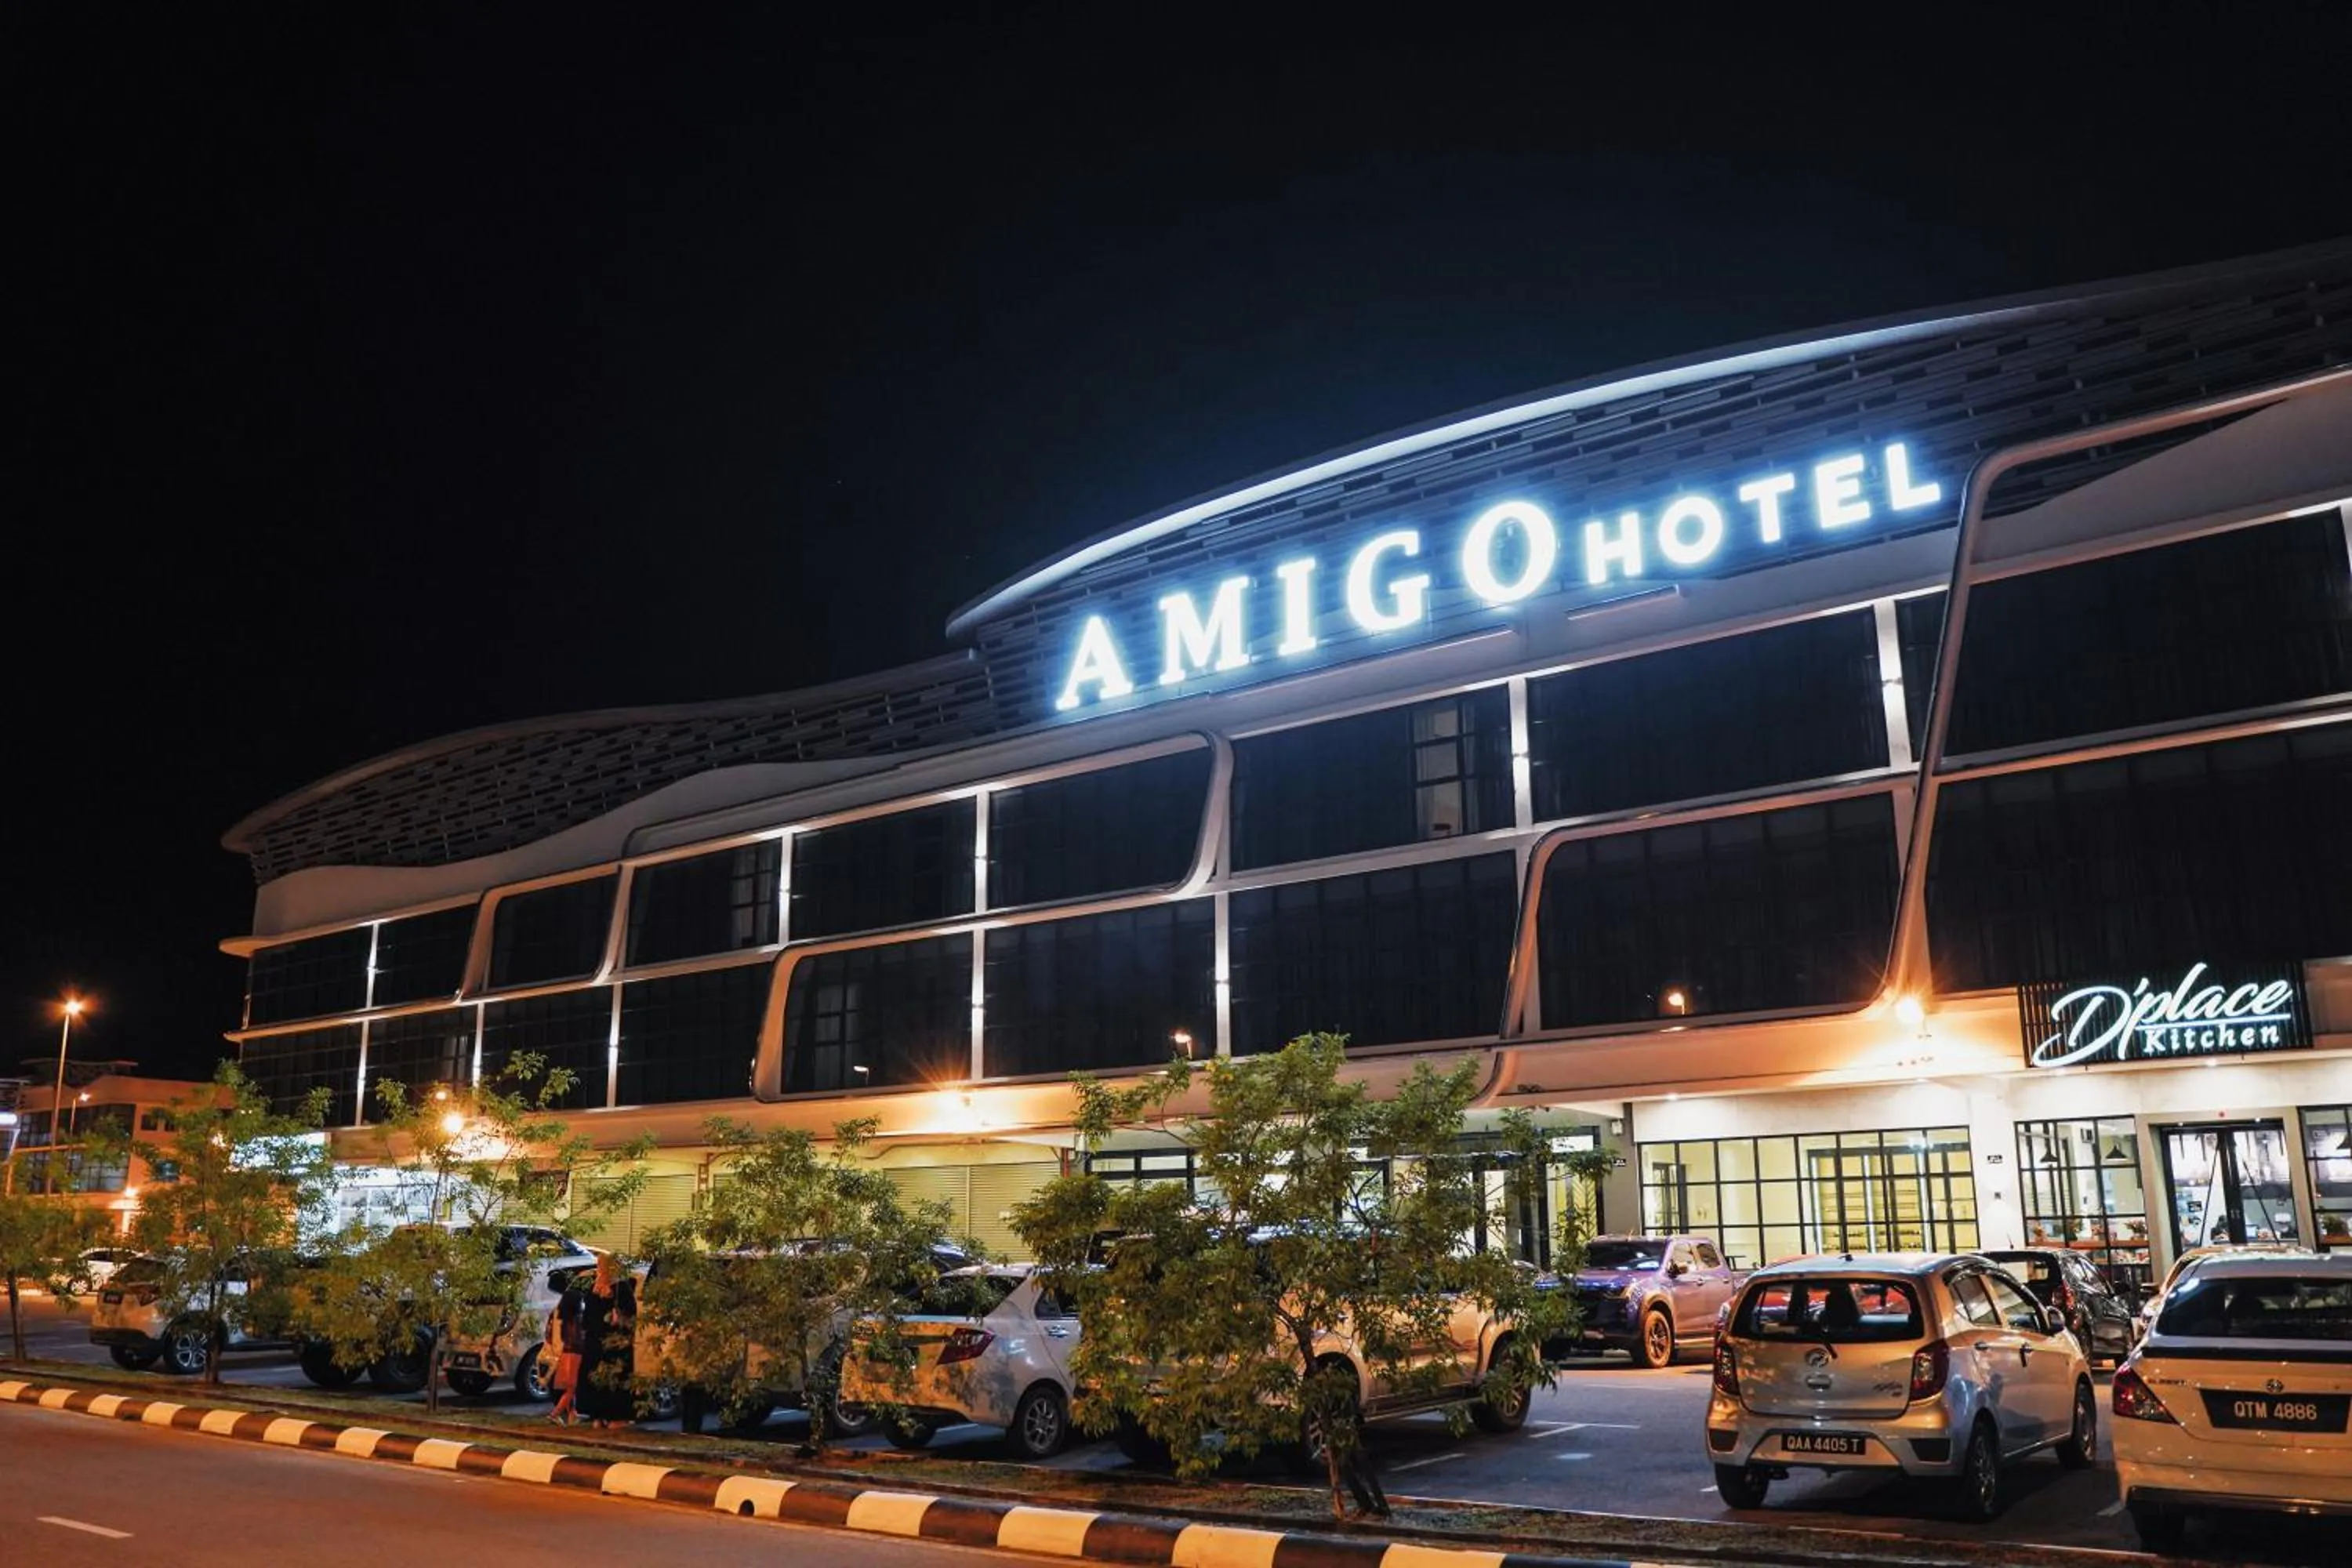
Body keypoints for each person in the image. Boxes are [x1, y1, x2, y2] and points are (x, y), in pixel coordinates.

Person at [575, 1254, 639, 1428]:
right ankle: (613, 1416)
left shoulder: (599, 1288)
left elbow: (586, 1319)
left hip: (598, 1343)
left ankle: (600, 1415)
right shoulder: (618, 1288)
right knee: (613, 1377)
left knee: (600, 1378)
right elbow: (631, 1316)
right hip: (613, 1344)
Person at [548, 1268, 588, 1425]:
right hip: (575, 1353)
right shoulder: (576, 1322)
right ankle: (555, 1413)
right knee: (572, 1388)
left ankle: (573, 1414)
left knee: (569, 1387)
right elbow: (579, 1337)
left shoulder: (564, 1319)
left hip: (566, 1352)